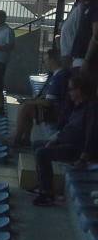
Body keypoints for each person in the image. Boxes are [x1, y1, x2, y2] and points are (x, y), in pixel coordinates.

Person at [32, 73, 98, 207]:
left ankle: (47, 194)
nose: (69, 93)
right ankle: (43, 185)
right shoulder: (76, 107)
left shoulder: (91, 108)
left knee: (42, 153)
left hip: (77, 150)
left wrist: (84, 157)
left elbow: (91, 134)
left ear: (79, 90)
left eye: (71, 89)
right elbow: (67, 128)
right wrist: (55, 140)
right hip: (66, 143)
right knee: (37, 145)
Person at [6, 48, 67, 149]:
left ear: (52, 60)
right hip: (52, 109)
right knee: (27, 105)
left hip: (55, 113)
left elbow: (48, 102)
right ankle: (24, 139)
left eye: (46, 60)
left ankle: (16, 139)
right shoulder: (55, 75)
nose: (45, 63)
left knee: (26, 107)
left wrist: (29, 102)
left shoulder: (59, 77)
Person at [67, 0, 98, 73]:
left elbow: (96, 35)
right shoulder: (84, 6)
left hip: (86, 60)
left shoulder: (95, 7)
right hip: (77, 57)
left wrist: (86, 60)